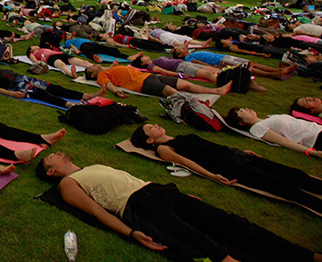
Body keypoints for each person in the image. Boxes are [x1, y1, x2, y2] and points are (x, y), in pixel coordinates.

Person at [36, 151, 322, 262]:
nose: (58, 153)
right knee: (198, 239)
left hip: (160, 191)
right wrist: (130, 233)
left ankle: (306, 256)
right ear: (51, 172)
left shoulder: (92, 164)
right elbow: (96, 212)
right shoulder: (67, 184)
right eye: (52, 158)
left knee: (233, 224)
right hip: (139, 205)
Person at [131, 123, 322, 214]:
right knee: (282, 185)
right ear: (149, 140)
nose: (156, 125)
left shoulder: (177, 137)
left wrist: (239, 150)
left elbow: (211, 146)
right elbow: (186, 162)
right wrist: (212, 175)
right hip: (228, 167)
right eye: (151, 128)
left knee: (294, 174)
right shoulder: (163, 148)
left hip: (236, 156)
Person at [0, 66, 103, 108]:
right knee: (41, 93)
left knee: (53, 87)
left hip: (23, 78)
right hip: (15, 85)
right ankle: (69, 105)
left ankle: (85, 96)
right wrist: (10, 93)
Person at [84, 61, 231, 99]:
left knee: (185, 84)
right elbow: (108, 85)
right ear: (92, 75)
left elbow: (106, 68)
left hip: (148, 76)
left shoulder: (106, 70)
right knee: (168, 91)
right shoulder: (102, 77)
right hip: (141, 84)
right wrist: (116, 92)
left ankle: (216, 90)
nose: (93, 65)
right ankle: (190, 105)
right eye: (91, 68)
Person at [225, 108, 322, 159]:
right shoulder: (257, 128)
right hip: (316, 138)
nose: (246, 109)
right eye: (242, 111)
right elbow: (283, 141)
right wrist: (312, 152)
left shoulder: (268, 118)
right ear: (241, 122)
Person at [171, 45, 296, 80]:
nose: (183, 47)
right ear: (180, 55)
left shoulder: (191, 52)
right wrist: (210, 66)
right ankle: (274, 74)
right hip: (220, 61)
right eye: (180, 49)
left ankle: (277, 70)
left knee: (250, 62)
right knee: (247, 67)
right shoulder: (187, 58)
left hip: (223, 56)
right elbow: (197, 62)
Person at [26, 45, 94, 78]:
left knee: (83, 62)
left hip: (59, 54)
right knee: (61, 64)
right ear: (30, 50)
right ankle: (71, 74)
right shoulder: (32, 54)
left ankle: (96, 67)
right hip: (50, 58)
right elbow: (33, 60)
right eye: (33, 46)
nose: (36, 45)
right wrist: (40, 63)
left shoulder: (43, 48)